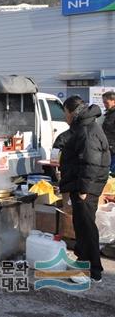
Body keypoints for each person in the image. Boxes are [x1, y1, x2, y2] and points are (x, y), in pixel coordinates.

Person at [58, 95, 110, 284]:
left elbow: (91, 162)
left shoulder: (87, 130)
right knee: (81, 224)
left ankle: (93, 270)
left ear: (72, 112)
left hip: (87, 186)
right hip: (83, 183)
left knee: (86, 226)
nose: (65, 117)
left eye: (65, 113)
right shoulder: (84, 126)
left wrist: (84, 189)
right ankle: (83, 260)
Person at [101, 91, 115, 174]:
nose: (104, 105)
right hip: (108, 148)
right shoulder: (108, 114)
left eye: (106, 102)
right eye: (103, 102)